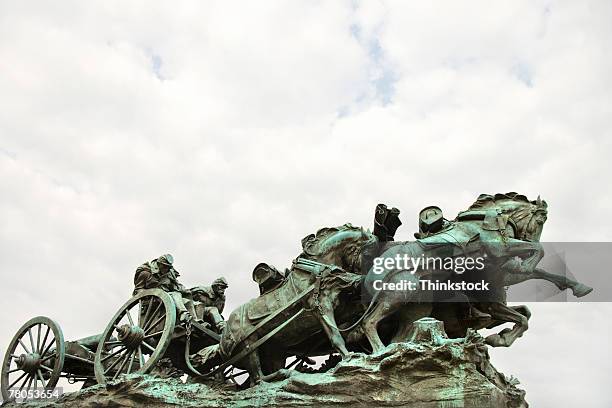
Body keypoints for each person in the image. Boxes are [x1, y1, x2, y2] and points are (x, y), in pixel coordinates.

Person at [133, 254, 196, 323]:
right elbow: (137, 291)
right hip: (152, 300)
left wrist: (186, 291)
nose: (168, 269)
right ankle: (183, 313)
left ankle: (194, 321)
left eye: (169, 267)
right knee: (175, 295)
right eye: (166, 266)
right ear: (159, 264)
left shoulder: (169, 274)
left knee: (188, 302)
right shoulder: (146, 273)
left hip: (167, 299)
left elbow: (175, 286)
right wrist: (153, 293)